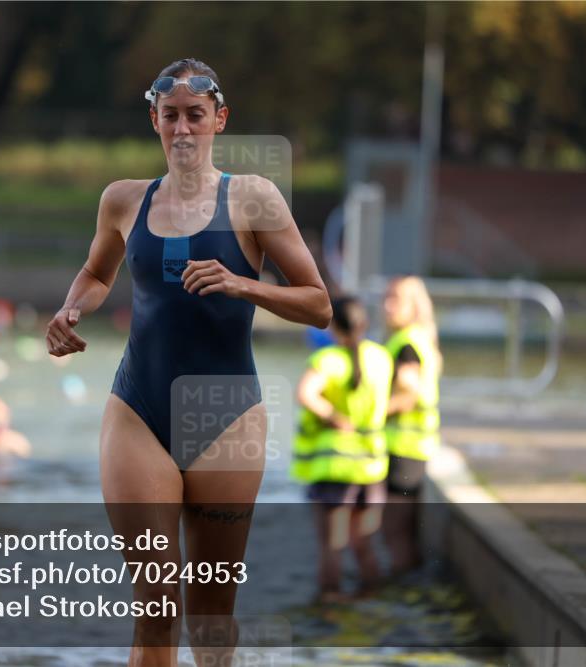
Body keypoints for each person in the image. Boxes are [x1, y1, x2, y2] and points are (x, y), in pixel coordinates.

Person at [45, 58, 331, 666]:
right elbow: (97, 273)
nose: (182, 129)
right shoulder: (123, 200)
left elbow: (318, 304)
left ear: (218, 120)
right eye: (169, 115)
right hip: (139, 411)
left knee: (209, 613)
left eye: (194, 116)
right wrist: (71, 310)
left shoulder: (254, 199)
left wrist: (243, 284)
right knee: (155, 607)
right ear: (154, 119)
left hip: (225, 415)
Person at [291, 296, 393, 601]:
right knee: (363, 542)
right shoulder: (382, 357)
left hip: (333, 468)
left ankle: (330, 606)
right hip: (371, 466)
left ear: (334, 326)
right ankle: (370, 598)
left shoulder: (328, 359)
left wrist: (334, 417)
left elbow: (305, 394)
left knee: (332, 545)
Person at [381, 275, 442, 576]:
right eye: (386, 298)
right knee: (402, 531)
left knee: (394, 531)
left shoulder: (407, 344)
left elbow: (408, 392)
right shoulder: (419, 339)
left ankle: (400, 594)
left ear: (414, 306)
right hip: (413, 448)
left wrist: (367, 418)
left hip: (404, 449)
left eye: (395, 299)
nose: (387, 306)